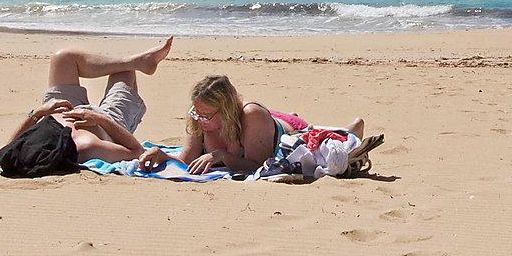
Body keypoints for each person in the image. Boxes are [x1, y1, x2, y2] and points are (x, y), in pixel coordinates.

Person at [134, 73, 370, 177]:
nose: (200, 119)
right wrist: (162, 155)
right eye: (198, 113)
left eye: (207, 115)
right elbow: (186, 162)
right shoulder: (199, 118)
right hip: (264, 126)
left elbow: (257, 165)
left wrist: (220, 155)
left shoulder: (250, 116)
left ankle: (351, 129)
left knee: (322, 140)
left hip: (284, 128)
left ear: (226, 111)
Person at [5, 37, 172, 167]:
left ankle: (138, 61)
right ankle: (136, 63)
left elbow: (6, 151)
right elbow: (136, 151)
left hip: (56, 110)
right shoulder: (87, 146)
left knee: (63, 58)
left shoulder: (37, 144)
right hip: (108, 121)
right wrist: (99, 119)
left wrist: (39, 114)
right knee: (124, 73)